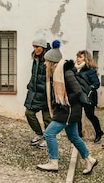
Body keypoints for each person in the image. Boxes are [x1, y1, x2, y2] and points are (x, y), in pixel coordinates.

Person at [36, 41, 99, 175]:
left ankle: (53, 162)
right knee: (74, 136)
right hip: (68, 109)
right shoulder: (58, 72)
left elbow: (77, 91)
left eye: (47, 62)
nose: (45, 64)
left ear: (53, 62)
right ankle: (89, 159)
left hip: (67, 110)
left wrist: (64, 101)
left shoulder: (66, 73)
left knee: (49, 133)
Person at [24, 38, 51, 148]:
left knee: (47, 118)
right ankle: (39, 134)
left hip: (47, 93)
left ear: (43, 47)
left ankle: (48, 139)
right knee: (29, 113)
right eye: (34, 47)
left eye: (37, 47)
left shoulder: (49, 59)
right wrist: (30, 85)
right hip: (35, 92)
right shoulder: (36, 59)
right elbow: (34, 74)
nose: (35, 49)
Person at [74, 50, 103, 143]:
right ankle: (79, 134)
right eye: (77, 57)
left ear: (86, 59)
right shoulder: (75, 69)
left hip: (88, 96)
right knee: (77, 115)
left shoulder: (90, 70)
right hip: (77, 95)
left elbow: (96, 83)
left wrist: (89, 89)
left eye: (80, 57)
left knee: (90, 115)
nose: (78, 59)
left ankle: (99, 132)